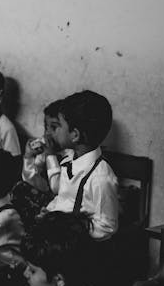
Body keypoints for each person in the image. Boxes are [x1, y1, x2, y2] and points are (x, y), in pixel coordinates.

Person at [44, 90, 118, 240]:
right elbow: (64, 199)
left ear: (75, 135)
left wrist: (71, 229)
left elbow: (107, 226)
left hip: (79, 246)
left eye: (59, 126)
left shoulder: (100, 178)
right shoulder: (70, 160)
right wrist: (50, 212)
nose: (54, 132)